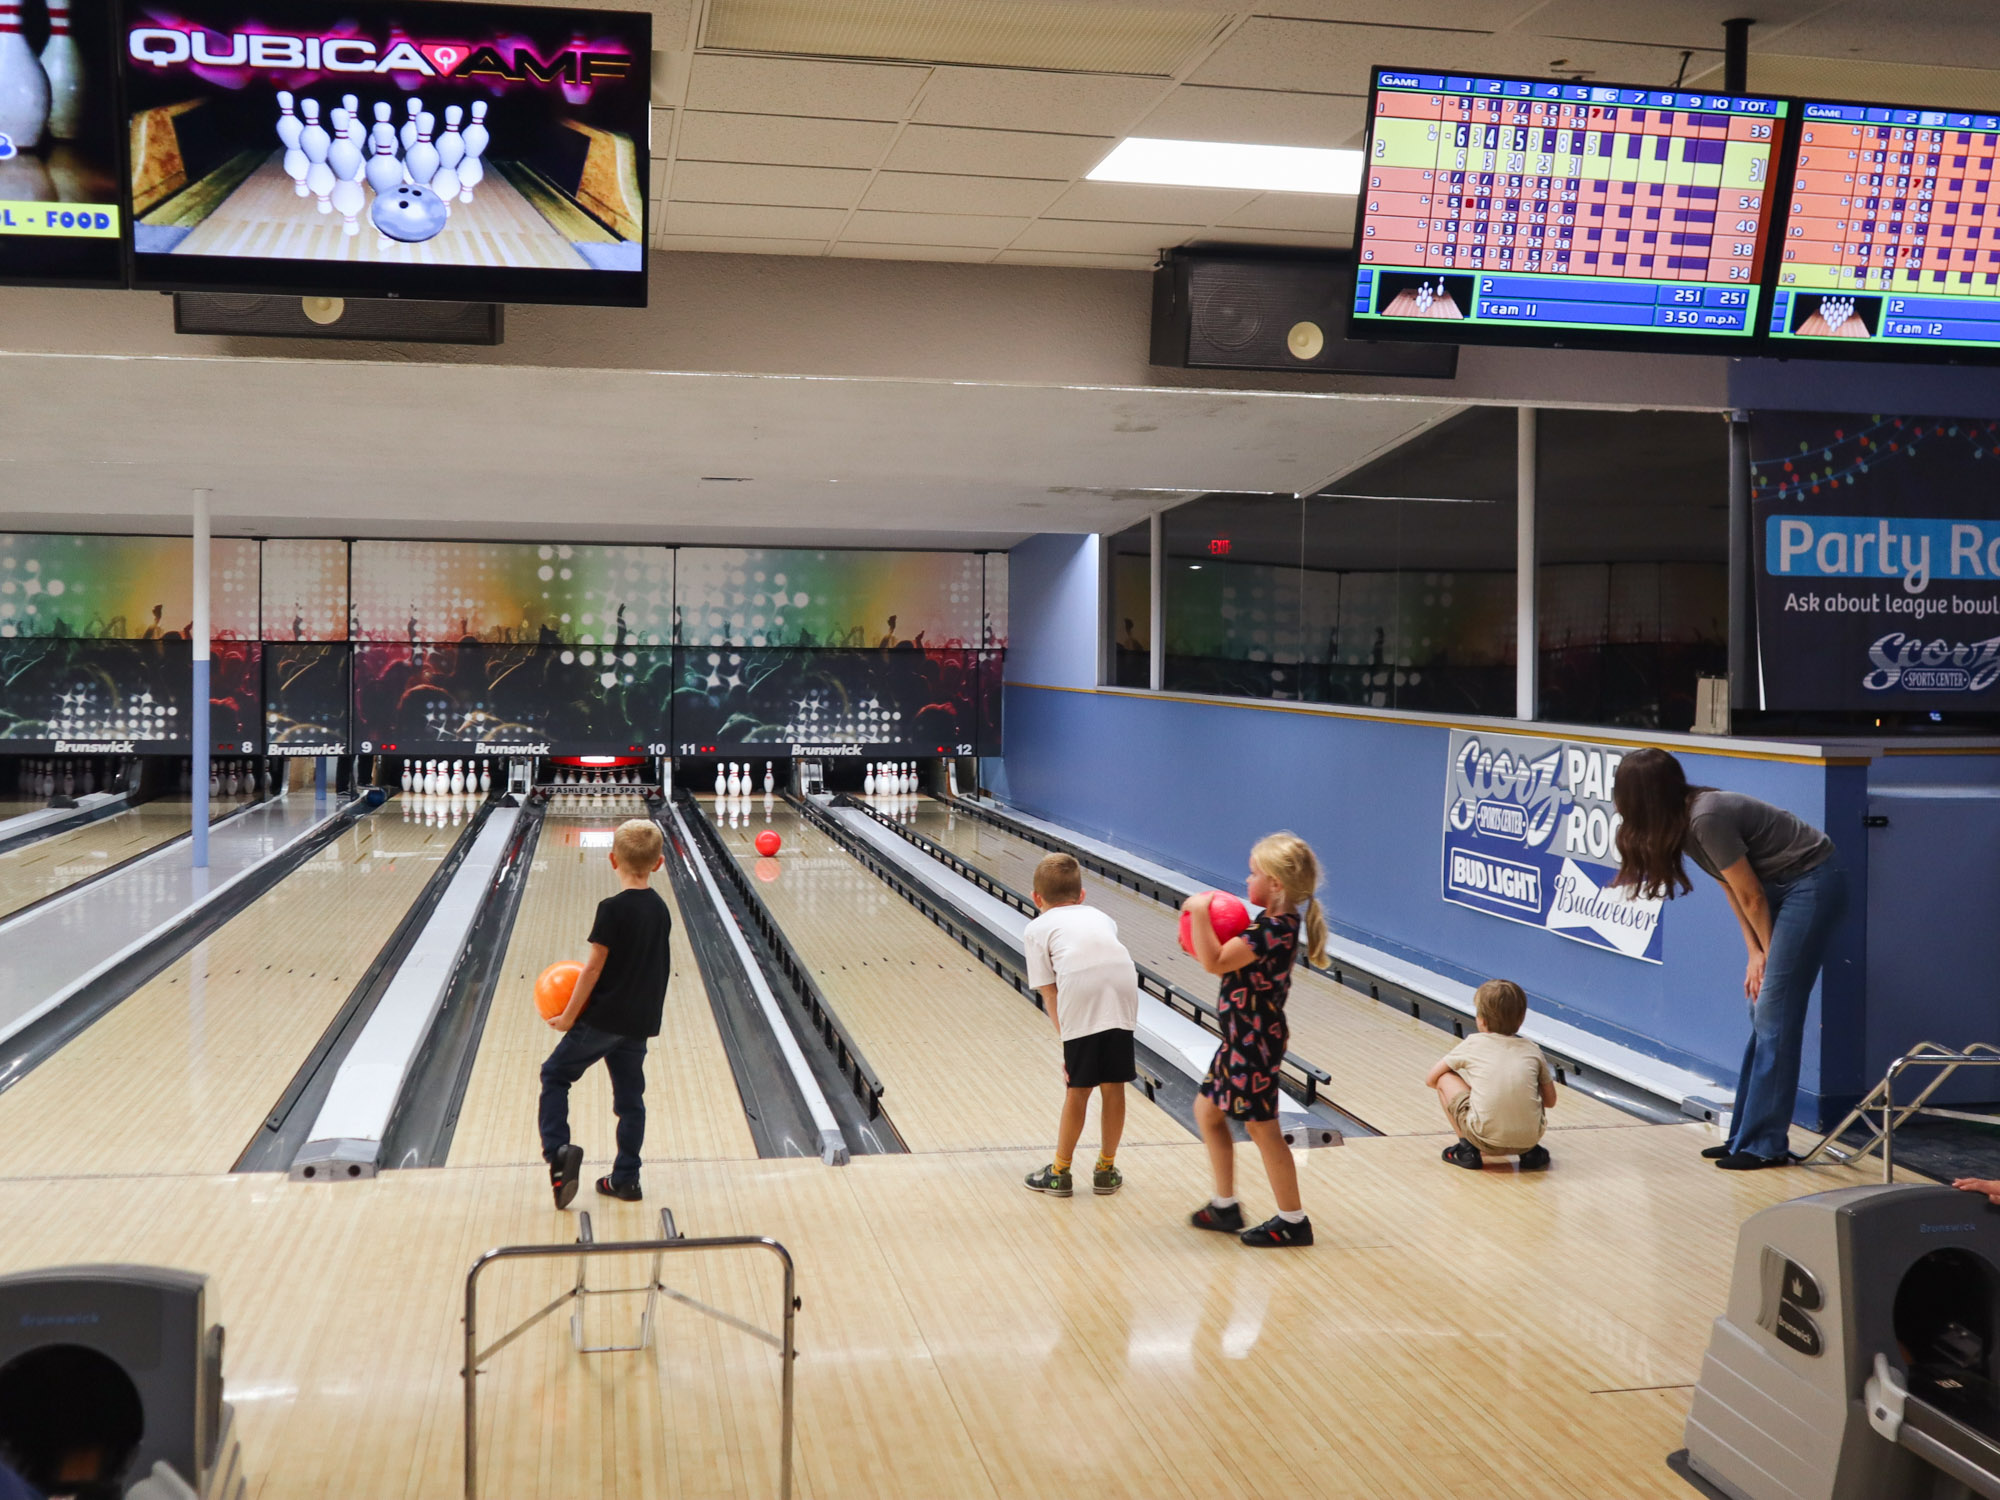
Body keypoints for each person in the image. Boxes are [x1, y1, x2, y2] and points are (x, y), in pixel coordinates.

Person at [1612, 748, 1847, 1170]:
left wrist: (1772, 959)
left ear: (1640, 797)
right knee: (1762, 1010)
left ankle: (1764, 1145)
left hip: (1811, 881)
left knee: (1775, 1014)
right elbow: (1732, 887)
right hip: (1776, 888)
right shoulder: (1683, 822)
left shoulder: (1706, 817)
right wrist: (1754, 952)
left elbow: (1753, 895)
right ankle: (1744, 1136)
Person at [1183, 832, 1327, 1248]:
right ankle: (1224, 1206)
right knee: (1207, 1113)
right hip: (1239, 1040)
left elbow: (1214, 963)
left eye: (1253, 874)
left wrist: (1199, 914)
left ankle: (1293, 1220)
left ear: (1276, 884)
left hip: (1254, 1043)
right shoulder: (1272, 924)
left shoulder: (1273, 931)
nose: (1246, 881)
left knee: (1262, 1128)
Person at [539, 818, 672, 1208]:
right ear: (658, 863)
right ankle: (626, 1179)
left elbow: (593, 968)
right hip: (638, 1022)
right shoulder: (661, 909)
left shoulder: (611, 909)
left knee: (555, 1074)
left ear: (613, 860)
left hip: (604, 1018)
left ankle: (558, 1156)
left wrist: (567, 1018)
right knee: (630, 1100)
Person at [1020, 853, 1141, 1198]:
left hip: (1080, 989)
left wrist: (1068, 1042)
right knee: (1113, 1084)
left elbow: (1050, 992)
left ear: (1036, 898)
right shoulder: (1102, 916)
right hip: (1124, 986)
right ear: (1082, 895)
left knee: (1078, 1089)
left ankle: (1059, 1172)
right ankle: (1105, 1168)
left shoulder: (1036, 927)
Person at [1424, 979, 1556, 1171]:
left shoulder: (1473, 1043)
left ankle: (1467, 1149)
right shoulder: (1532, 1049)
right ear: (1521, 1020)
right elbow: (1550, 1101)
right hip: (1529, 1139)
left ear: (1482, 1020)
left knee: (1445, 1078)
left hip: (1483, 1139)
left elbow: (1431, 1079)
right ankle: (1530, 1153)